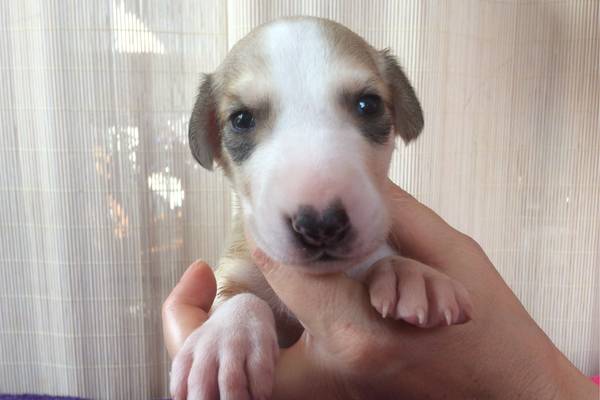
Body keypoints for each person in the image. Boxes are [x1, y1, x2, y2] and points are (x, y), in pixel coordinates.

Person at [162, 181, 598, 399]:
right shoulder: (252, 233)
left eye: (364, 108)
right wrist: (234, 313)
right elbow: (233, 288)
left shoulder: (390, 226)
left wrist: (397, 270)